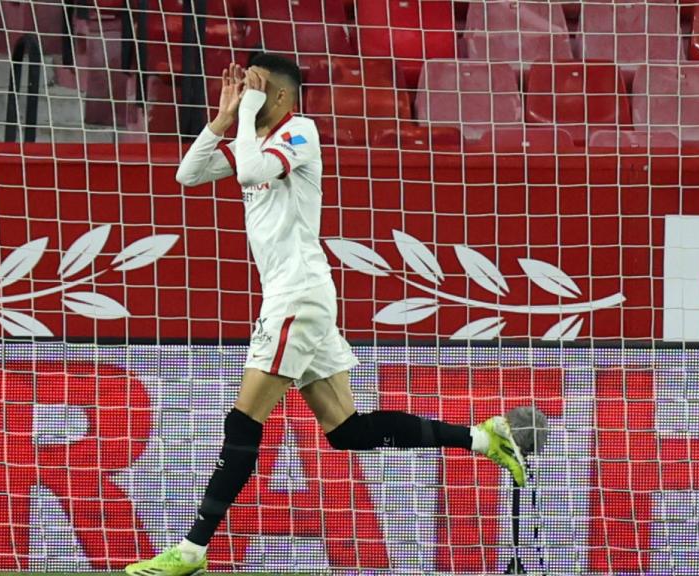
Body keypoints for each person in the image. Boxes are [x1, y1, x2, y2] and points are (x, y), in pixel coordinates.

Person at [126, 53, 548, 576]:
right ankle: (486, 438)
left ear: (277, 95)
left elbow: (254, 168)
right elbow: (187, 174)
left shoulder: (299, 132)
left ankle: (191, 551)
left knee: (243, 419)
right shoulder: (252, 142)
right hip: (300, 298)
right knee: (345, 430)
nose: (247, 94)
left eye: (255, 87)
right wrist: (224, 116)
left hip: (295, 299)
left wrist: (252, 106)